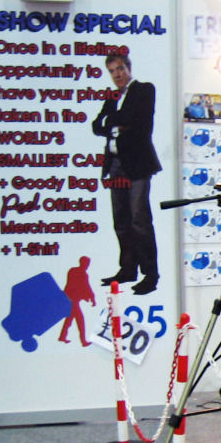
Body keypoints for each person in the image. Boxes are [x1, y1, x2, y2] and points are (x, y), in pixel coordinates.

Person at [91, 54, 161, 295]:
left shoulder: (144, 89)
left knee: (139, 220)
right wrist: (116, 125)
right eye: (112, 71)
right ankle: (128, 269)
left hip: (137, 165)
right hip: (115, 165)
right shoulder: (112, 97)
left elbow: (137, 122)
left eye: (120, 68)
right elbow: (96, 126)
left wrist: (113, 122)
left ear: (128, 68)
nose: (117, 74)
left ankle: (150, 274)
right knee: (120, 220)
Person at [58, 256, 96, 346]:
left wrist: (90, 297)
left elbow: (85, 287)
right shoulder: (80, 273)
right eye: (86, 263)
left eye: (88, 264)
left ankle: (62, 337)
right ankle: (83, 341)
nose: (87, 266)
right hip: (72, 300)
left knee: (69, 319)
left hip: (70, 299)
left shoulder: (74, 271)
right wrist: (92, 298)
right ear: (82, 263)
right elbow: (86, 286)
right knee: (80, 320)